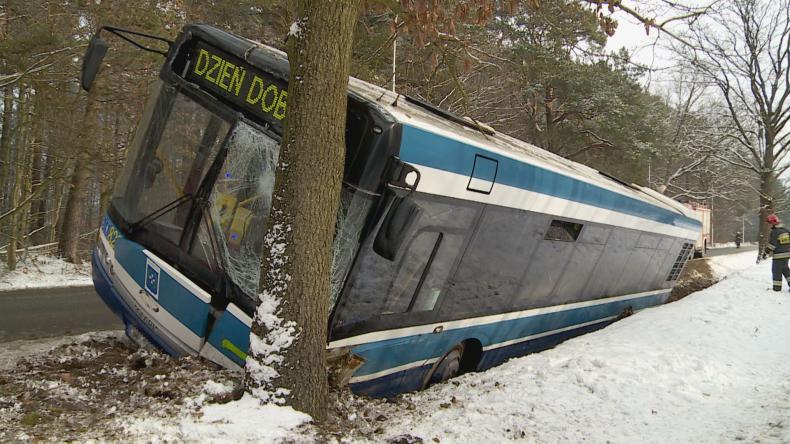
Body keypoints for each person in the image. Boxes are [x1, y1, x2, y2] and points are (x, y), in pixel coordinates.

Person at [764, 214, 790, 291]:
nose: (769, 225)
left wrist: (766, 252)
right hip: (787, 255)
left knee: (776, 271)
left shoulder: (775, 232)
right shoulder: (786, 230)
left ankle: (777, 288)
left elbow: (772, 245)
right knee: (785, 270)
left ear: (772, 223)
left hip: (778, 255)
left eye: (769, 223)